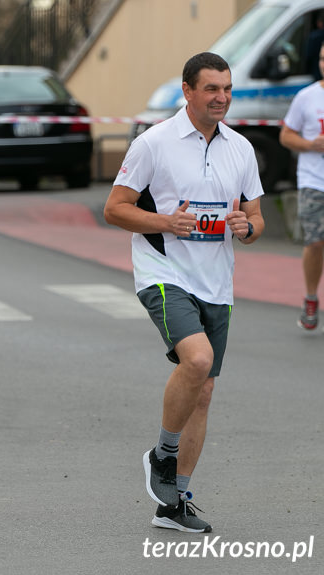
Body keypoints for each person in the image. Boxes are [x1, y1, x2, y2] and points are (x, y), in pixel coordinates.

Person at [104, 52, 264, 534]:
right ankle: (163, 454)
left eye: (228, 89)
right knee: (196, 361)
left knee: (205, 390)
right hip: (163, 271)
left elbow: (256, 219)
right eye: (212, 88)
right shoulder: (154, 143)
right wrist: (165, 222)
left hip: (216, 278)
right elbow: (115, 209)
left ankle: (175, 503)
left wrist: (246, 226)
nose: (222, 98)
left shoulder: (241, 148)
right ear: (187, 90)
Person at [281, 43, 324, 330]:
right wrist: (310, 144)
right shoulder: (306, 97)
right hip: (314, 182)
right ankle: (311, 297)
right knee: (316, 241)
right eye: (322, 58)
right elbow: (286, 136)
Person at [306, 12, 324, 81]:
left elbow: (308, 56)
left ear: (319, 23)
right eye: (322, 58)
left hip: (316, 75)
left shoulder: (314, 37)